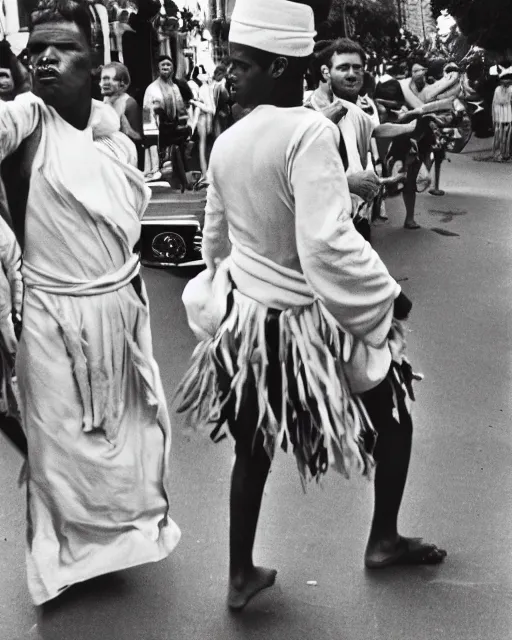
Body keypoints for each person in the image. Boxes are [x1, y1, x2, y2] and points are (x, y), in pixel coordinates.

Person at [177, 0, 446, 613]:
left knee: (252, 447)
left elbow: (214, 241)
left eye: (240, 65)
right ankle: (382, 538)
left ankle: (240, 572)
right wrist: (386, 299)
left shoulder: (228, 141)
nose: (229, 76)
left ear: (278, 66)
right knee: (394, 414)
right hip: (310, 321)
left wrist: (229, 291)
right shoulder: (309, 132)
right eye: (231, 64)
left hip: (249, 323)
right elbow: (326, 244)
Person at [0, 0, 181, 605]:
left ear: (96, 59)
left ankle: (106, 547)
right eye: (36, 51)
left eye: (64, 48)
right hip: (52, 319)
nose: (46, 58)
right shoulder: (25, 124)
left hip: (118, 313)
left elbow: (123, 236)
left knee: (125, 442)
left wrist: (134, 311)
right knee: (57, 454)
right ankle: (56, 567)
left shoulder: (112, 141)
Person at [306, 39, 416, 237]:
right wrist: (346, 183)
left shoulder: (351, 109)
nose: (352, 74)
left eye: (357, 68)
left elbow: (375, 130)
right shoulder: (305, 110)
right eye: (343, 68)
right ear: (325, 72)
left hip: (357, 216)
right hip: (323, 223)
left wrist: (410, 127)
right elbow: (295, 171)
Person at [143, 54, 193, 191]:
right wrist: (150, 135)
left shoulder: (175, 88)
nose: (166, 67)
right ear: (158, 69)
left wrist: (185, 126)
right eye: (163, 65)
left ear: (173, 68)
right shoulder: (151, 89)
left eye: (168, 65)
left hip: (174, 131)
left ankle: (180, 186)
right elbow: (147, 114)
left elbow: (181, 110)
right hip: (159, 132)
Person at [100, 61, 144, 170]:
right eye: (103, 79)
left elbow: (138, 138)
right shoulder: (104, 102)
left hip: (124, 162)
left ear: (122, 83)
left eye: (108, 79)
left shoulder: (129, 103)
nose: (103, 83)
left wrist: (127, 131)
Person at [491, 67, 512, 162]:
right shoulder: (503, 89)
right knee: (504, 134)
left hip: (502, 114)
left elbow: (494, 103)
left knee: (501, 134)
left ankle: (500, 153)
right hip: (504, 114)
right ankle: (503, 153)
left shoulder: (498, 89)